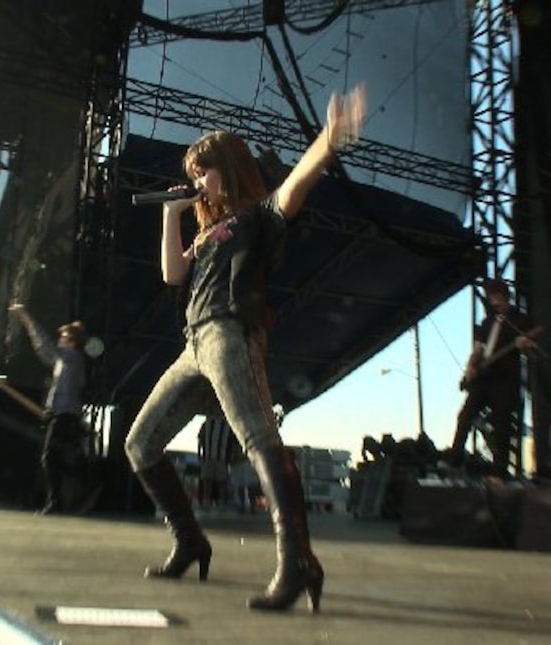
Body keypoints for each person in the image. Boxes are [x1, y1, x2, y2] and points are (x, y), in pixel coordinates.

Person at [123, 84, 366, 613]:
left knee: (259, 439)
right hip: (194, 344)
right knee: (140, 445)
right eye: (192, 175)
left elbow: (295, 188)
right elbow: (172, 274)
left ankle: (300, 562)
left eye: (204, 172)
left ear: (228, 168)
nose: (197, 182)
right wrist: (172, 214)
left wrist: (328, 140)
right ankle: (190, 540)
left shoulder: (254, 217)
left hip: (231, 334)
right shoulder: (207, 233)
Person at [449, 277, 536, 477]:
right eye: (491, 297)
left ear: (505, 297)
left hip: (505, 380)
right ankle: (453, 460)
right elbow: (477, 349)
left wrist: (525, 345)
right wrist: (471, 367)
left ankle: (500, 469)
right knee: (465, 416)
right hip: (483, 377)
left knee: (502, 423)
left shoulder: (520, 320)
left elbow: (529, 349)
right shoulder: (486, 323)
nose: (494, 301)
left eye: (497, 297)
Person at [9, 303, 89, 514]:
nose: (60, 340)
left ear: (71, 342)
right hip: (64, 416)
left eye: (63, 337)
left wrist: (25, 316)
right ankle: (62, 499)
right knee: (57, 459)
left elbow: (45, 344)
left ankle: (57, 503)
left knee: (50, 458)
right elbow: (43, 349)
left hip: (65, 417)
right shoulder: (67, 361)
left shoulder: (72, 358)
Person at [196, 416, 237, 510]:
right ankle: (207, 502)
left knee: (221, 481)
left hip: (222, 457)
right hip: (208, 456)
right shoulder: (207, 423)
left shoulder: (228, 424)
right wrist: (199, 453)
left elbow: (233, 442)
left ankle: (221, 503)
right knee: (207, 480)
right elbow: (200, 438)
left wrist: (231, 456)